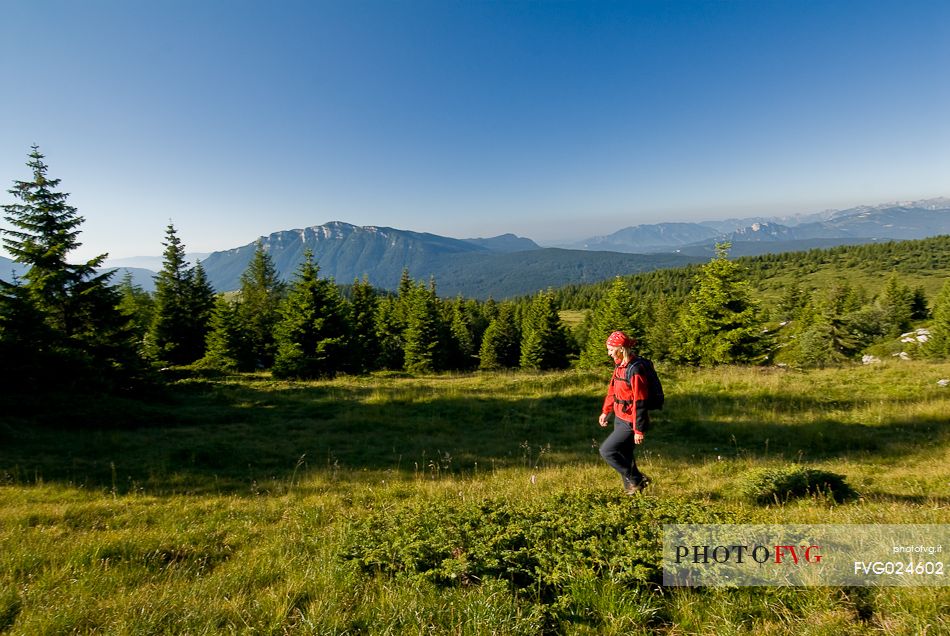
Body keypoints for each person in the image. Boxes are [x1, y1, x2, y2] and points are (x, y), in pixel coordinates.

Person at [598, 330, 651, 495]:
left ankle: (637, 479)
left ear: (621, 348)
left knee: (607, 451)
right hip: (619, 417)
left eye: (611, 349)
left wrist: (638, 429)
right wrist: (606, 411)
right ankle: (633, 493)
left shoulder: (635, 370)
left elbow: (640, 401)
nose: (609, 353)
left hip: (630, 421)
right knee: (625, 454)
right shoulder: (619, 365)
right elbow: (612, 390)